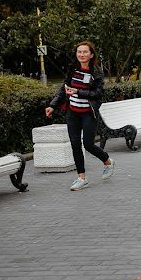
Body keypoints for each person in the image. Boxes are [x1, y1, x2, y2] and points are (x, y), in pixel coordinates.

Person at [45, 41, 114, 190]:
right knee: (75, 145)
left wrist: (78, 92)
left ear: (91, 55)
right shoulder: (72, 70)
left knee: (88, 145)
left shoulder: (96, 73)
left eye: (85, 52)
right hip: (73, 113)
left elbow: (98, 94)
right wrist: (52, 105)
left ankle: (107, 161)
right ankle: (81, 177)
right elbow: (64, 89)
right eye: (79, 52)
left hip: (89, 114)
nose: (81, 55)